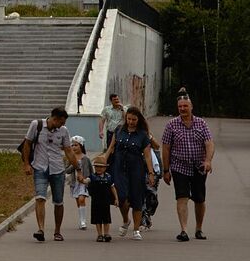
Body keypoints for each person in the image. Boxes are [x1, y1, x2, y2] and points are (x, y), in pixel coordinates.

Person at [162, 88, 215, 242]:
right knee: (182, 197)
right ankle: (184, 230)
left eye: (185, 106)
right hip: (179, 167)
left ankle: (198, 229)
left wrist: (208, 161)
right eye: (180, 107)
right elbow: (165, 148)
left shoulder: (201, 123)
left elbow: (209, 144)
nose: (183, 109)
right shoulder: (171, 125)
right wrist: (166, 170)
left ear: (191, 107)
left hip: (199, 167)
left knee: (199, 199)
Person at [22, 106, 78, 241]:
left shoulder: (63, 131)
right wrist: (26, 164)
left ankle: (57, 231)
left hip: (57, 169)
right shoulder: (37, 125)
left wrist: (78, 168)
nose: (63, 125)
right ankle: (40, 229)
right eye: (62, 122)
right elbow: (27, 144)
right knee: (40, 197)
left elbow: (68, 150)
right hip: (40, 167)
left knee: (58, 202)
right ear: (55, 119)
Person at [105, 106, 155, 239]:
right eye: (129, 119)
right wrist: (103, 160)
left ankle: (136, 229)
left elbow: (148, 155)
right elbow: (111, 147)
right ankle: (126, 220)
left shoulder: (143, 135)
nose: (131, 122)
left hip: (136, 169)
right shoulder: (119, 130)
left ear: (138, 119)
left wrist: (151, 173)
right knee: (121, 198)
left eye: (134, 119)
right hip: (119, 168)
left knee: (136, 198)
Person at [87, 154, 118, 241]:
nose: (98, 169)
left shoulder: (108, 177)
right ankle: (99, 234)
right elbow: (86, 181)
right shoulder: (92, 177)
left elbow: (112, 187)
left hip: (106, 201)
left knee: (106, 218)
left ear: (105, 168)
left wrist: (116, 198)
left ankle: (106, 233)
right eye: (96, 167)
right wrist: (82, 180)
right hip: (96, 201)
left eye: (101, 167)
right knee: (97, 218)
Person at [67, 136, 91, 229]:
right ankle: (81, 219)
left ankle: (83, 221)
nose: (74, 147)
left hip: (83, 183)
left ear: (81, 146)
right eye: (72, 145)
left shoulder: (86, 158)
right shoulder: (70, 158)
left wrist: (86, 180)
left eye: (76, 145)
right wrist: (74, 164)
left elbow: (91, 172)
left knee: (81, 199)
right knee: (78, 201)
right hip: (75, 183)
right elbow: (67, 170)